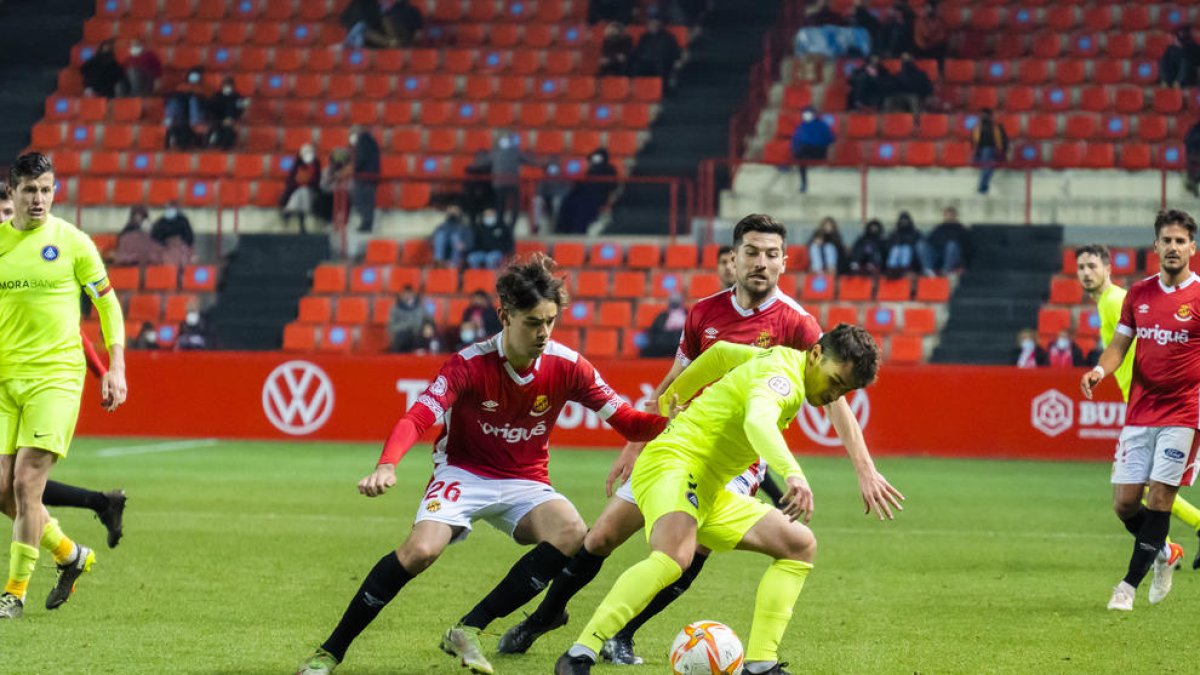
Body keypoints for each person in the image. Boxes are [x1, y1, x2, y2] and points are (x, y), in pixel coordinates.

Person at [501, 214, 902, 664]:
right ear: (734, 257)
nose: (762, 263)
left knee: (690, 550)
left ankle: (623, 636)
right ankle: (548, 621)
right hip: (680, 447)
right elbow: (695, 371)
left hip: (734, 466)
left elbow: (828, 399)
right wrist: (637, 438)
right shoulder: (705, 312)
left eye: (772, 255)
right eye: (753, 252)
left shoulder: (799, 324)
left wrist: (865, 469)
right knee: (602, 538)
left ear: (784, 262)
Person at [295, 255, 674, 675]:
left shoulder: (568, 366)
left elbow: (627, 421)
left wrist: (670, 421)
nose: (544, 333)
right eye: (533, 322)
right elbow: (417, 417)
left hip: (525, 478)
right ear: (504, 315)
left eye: (551, 321)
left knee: (571, 532)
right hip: (463, 472)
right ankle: (329, 652)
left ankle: (469, 628)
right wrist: (387, 465)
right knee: (420, 551)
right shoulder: (469, 365)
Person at [555, 325, 885, 675]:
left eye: (845, 390)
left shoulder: (781, 357)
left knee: (799, 545)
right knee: (675, 556)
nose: (835, 395)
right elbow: (758, 422)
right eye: (835, 382)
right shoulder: (783, 380)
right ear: (816, 354)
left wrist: (674, 395)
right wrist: (792, 473)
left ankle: (761, 664)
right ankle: (580, 653)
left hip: (709, 486)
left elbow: (722, 353)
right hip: (674, 462)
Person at [0, 153, 128, 619]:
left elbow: (108, 305)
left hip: (55, 378)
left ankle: (13, 595)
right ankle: (70, 555)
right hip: (5, 380)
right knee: (2, 489)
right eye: (30, 190)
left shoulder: (73, 243)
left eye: (46, 189)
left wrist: (115, 367)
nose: (39, 199)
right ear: (12, 192)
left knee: (26, 482)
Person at [1082, 209, 1200, 611]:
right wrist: (1100, 370)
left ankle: (1127, 587)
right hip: (1141, 410)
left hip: (1185, 412)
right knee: (1125, 504)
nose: (1173, 247)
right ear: (1155, 246)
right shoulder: (1139, 294)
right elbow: (1119, 345)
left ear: (1192, 248)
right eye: (1167, 240)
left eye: (1180, 241)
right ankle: (1165, 553)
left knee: (1161, 498)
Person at [557, 148, 618, 234]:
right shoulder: (588, 170)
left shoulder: (610, 169)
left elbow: (612, 187)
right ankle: (563, 230)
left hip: (598, 198)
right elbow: (579, 186)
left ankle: (578, 232)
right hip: (582, 196)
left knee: (584, 208)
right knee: (567, 202)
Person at [489, 130, 537, 229]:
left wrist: (543, 163)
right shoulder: (495, 152)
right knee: (500, 206)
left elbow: (530, 161)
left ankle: (511, 226)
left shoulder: (515, 152)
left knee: (514, 206)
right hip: (500, 183)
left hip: (512, 183)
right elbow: (485, 162)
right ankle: (500, 226)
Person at [790, 107, 835, 194]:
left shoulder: (822, 125)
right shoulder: (802, 126)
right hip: (810, 152)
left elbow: (830, 139)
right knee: (800, 154)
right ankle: (803, 184)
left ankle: (803, 184)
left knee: (800, 153)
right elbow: (796, 140)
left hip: (818, 152)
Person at [282, 144, 321, 234]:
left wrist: (307, 182)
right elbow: (290, 181)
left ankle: (289, 211)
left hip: (312, 193)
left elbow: (317, 182)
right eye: (306, 153)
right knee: (300, 192)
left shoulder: (316, 165)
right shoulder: (297, 165)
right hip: (298, 193)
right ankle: (302, 225)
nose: (308, 155)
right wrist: (299, 182)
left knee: (303, 191)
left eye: (310, 152)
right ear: (301, 155)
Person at [165, 67, 207, 150]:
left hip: (198, 109)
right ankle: (170, 118)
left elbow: (205, 97)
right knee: (174, 101)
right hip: (183, 109)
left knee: (193, 100)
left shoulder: (203, 87)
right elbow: (178, 94)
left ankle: (194, 121)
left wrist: (193, 94)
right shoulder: (182, 86)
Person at [630, 18, 682, 84]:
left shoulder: (668, 37)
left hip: (662, 61)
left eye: (653, 24)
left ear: (658, 25)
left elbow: (674, 50)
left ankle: (661, 87)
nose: (650, 27)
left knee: (660, 67)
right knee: (636, 65)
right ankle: (635, 86)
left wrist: (677, 59)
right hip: (645, 61)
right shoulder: (644, 36)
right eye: (649, 25)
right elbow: (638, 50)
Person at [349, 126, 380, 233]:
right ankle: (367, 224)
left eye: (352, 133)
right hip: (372, 176)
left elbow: (361, 159)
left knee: (360, 200)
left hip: (363, 176)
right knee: (368, 202)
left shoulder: (362, 141)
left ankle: (365, 224)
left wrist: (353, 169)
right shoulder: (372, 141)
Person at [921, 207, 968, 275]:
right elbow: (930, 240)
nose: (949, 217)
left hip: (954, 256)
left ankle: (946, 270)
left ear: (955, 216)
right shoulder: (939, 228)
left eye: (951, 215)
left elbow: (965, 246)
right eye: (947, 215)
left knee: (951, 245)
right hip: (939, 253)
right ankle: (928, 270)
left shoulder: (961, 228)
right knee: (921, 244)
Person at [972, 109, 1008, 195]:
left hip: (990, 150)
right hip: (982, 152)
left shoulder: (996, 127)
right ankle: (983, 188)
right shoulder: (977, 128)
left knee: (987, 168)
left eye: (985, 115)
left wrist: (1001, 151)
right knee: (987, 168)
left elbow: (1002, 140)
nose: (983, 117)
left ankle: (982, 189)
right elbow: (975, 141)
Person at [639, 293, 687, 358]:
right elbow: (654, 332)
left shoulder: (689, 315)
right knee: (646, 351)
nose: (675, 304)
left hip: (682, 345)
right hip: (663, 345)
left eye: (677, 302)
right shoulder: (662, 316)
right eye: (673, 302)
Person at [206, 76, 245, 150]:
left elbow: (240, 110)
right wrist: (220, 120)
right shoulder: (216, 96)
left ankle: (226, 145)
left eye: (229, 86)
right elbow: (212, 110)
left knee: (229, 130)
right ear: (222, 86)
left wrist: (234, 120)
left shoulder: (237, 97)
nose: (227, 87)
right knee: (216, 129)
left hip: (232, 120)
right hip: (218, 120)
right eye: (226, 85)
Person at [534, 157, 572, 234]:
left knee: (557, 202)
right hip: (546, 197)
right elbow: (539, 191)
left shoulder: (564, 177)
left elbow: (566, 191)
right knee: (537, 201)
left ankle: (557, 226)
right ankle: (536, 226)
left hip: (558, 197)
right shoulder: (544, 177)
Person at [387, 286, 428, 352]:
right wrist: (407, 325)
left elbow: (421, 325)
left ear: (413, 295)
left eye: (409, 294)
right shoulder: (395, 309)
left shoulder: (420, 309)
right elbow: (391, 327)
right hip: (401, 339)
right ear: (401, 296)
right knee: (402, 335)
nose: (407, 296)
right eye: (405, 294)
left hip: (416, 338)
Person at [430, 204, 472, 268]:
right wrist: (433, 240)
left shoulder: (464, 227)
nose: (453, 212)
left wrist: (464, 245)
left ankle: (453, 263)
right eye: (451, 210)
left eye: (455, 210)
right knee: (440, 235)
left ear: (459, 212)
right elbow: (431, 237)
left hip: (458, 253)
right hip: (444, 252)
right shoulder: (442, 226)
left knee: (455, 237)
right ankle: (438, 261)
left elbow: (470, 243)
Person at [884, 211, 924, 277]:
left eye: (905, 220)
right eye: (902, 221)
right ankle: (892, 269)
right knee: (896, 249)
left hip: (912, 256)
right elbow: (888, 245)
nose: (904, 222)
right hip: (897, 253)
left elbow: (919, 244)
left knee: (906, 249)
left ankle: (904, 269)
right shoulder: (894, 234)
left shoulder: (915, 233)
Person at [1185, 120, 1200, 197]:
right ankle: (1192, 180)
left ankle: (1193, 180)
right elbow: (1188, 140)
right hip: (1193, 152)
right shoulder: (1196, 129)